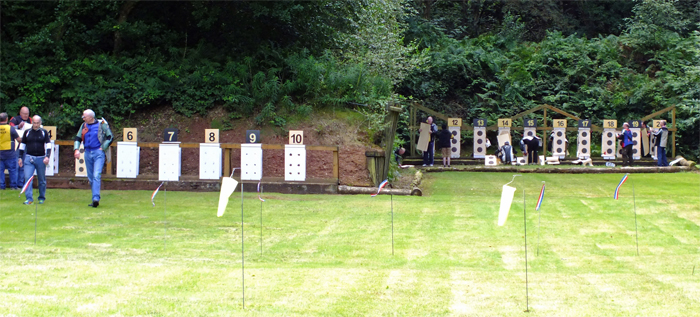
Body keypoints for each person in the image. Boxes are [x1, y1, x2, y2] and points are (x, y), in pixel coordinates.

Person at [74, 109, 113, 207]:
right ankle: (94, 197)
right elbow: (78, 138)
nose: (83, 118)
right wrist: (76, 149)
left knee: (96, 175)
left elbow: (110, 137)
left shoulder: (101, 124)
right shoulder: (83, 126)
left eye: (84, 116)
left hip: (98, 153)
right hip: (87, 153)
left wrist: (103, 147)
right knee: (91, 177)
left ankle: (96, 198)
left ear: (91, 117)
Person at [18, 115, 51, 204]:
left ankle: (41, 197)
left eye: (37, 123)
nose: (35, 125)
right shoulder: (27, 132)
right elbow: (22, 145)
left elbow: (48, 145)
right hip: (29, 158)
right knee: (28, 178)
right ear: (32, 122)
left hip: (41, 158)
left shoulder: (44, 132)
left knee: (42, 179)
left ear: (40, 123)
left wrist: (47, 156)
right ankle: (29, 199)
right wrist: (20, 157)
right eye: (34, 123)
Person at [9, 107, 31, 188]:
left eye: (27, 114)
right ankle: (14, 184)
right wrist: (18, 126)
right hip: (17, 146)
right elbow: (10, 128)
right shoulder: (14, 119)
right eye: (24, 114)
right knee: (16, 165)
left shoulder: (30, 120)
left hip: (26, 146)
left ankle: (21, 183)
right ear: (20, 113)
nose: (26, 116)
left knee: (24, 165)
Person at [0, 113, 22, 190]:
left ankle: (1, 186)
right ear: (6, 119)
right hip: (10, 153)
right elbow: (19, 139)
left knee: (0, 171)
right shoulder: (10, 128)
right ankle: (13, 186)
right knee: (12, 170)